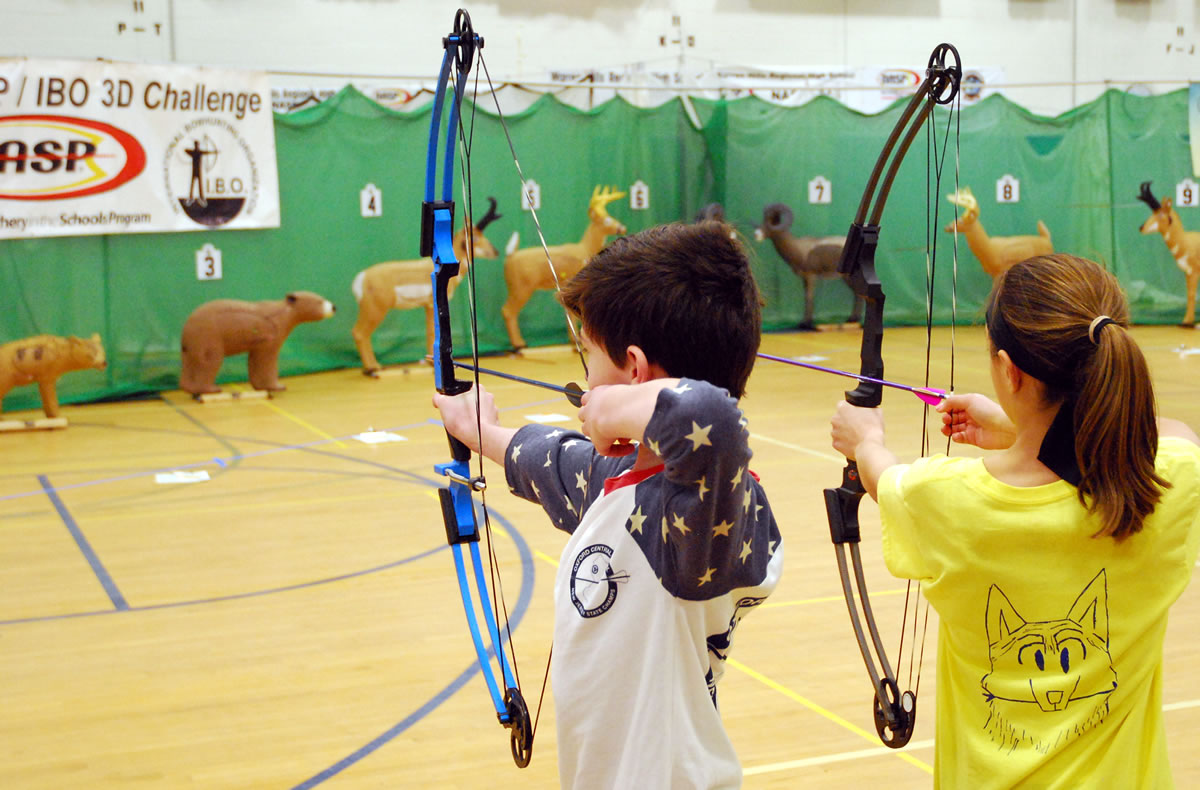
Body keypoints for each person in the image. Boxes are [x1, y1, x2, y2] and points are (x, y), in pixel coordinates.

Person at [434, 221, 783, 790]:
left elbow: (712, 420)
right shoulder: (625, 484)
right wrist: (480, 430)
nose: (585, 382)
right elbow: (553, 460)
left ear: (635, 371)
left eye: (589, 357)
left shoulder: (705, 517)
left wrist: (614, 407)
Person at [829, 253, 1200, 788]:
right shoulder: (1165, 483)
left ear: (1009, 371)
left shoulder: (949, 498)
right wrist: (1015, 426)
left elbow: (884, 478)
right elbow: (1167, 433)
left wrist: (863, 439)